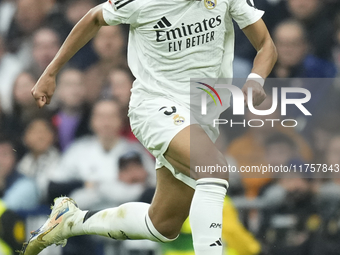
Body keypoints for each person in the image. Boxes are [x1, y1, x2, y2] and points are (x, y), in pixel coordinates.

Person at [23, 1, 277, 255]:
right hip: (154, 105)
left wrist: (256, 79)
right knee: (214, 169)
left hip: (201, 117)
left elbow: (266, 45)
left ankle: (71, 221)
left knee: (162, 225)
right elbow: (94, 18)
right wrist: (51, 72)